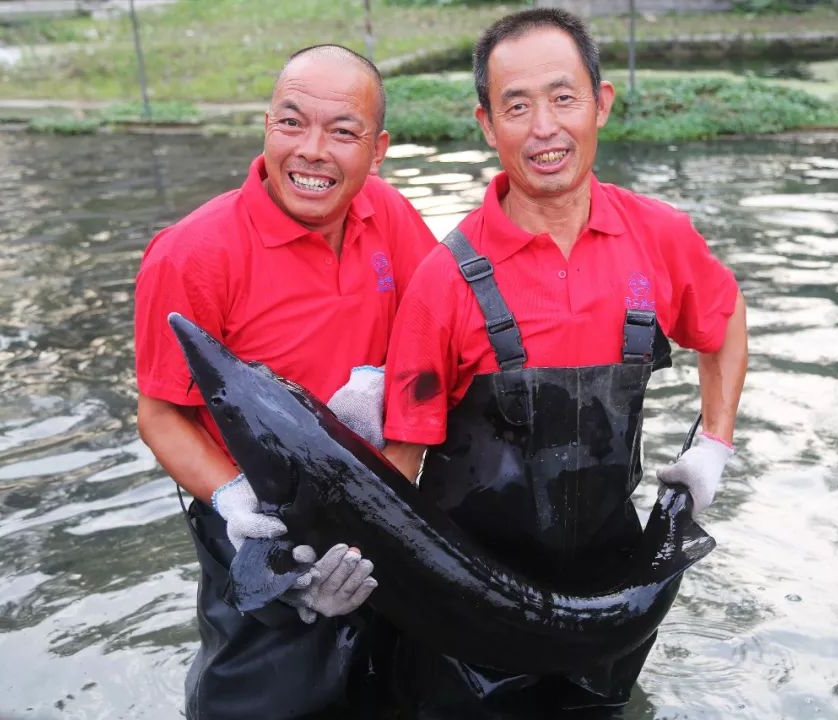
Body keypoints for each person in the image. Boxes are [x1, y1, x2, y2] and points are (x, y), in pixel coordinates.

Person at [380, 9, 748, 719]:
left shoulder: (660, 237)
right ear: (487, 125)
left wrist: (715, 446)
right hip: (470, 616)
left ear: (601, 104)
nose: (544, 128)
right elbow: (399, 468)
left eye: (563, 97)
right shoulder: (444, 279)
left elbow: (725, 320)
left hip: (611, 601)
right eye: (517, 106)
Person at [133, 45, 436, 720]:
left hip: (376, 506)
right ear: (266, 125)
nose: (312, 152)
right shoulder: (191, 254)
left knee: (387, 688)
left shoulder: (389, 215)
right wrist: (235, 501)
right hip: (259, 521)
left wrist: (400, 474)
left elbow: (435, 350)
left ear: (378, 149)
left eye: (343, 132)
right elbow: (158, 415)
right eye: (292, 123)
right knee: (257, 698)